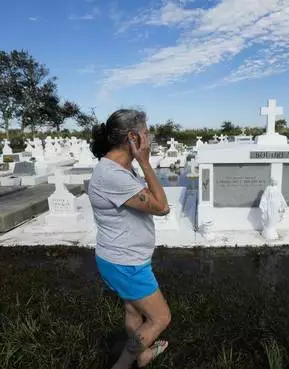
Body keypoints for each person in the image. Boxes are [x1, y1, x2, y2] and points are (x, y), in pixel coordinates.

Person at [87, 109, 171, 368]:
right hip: (126, 263)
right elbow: (162, 206)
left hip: (121, 258)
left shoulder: (118, 167)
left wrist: (138, 163)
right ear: (132, 138)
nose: (150, 137)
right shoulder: (112, 175)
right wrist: (146, 162)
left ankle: (142, 355)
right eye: (146, 132)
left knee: (134, 310)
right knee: (160, 318)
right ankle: (123, 365)